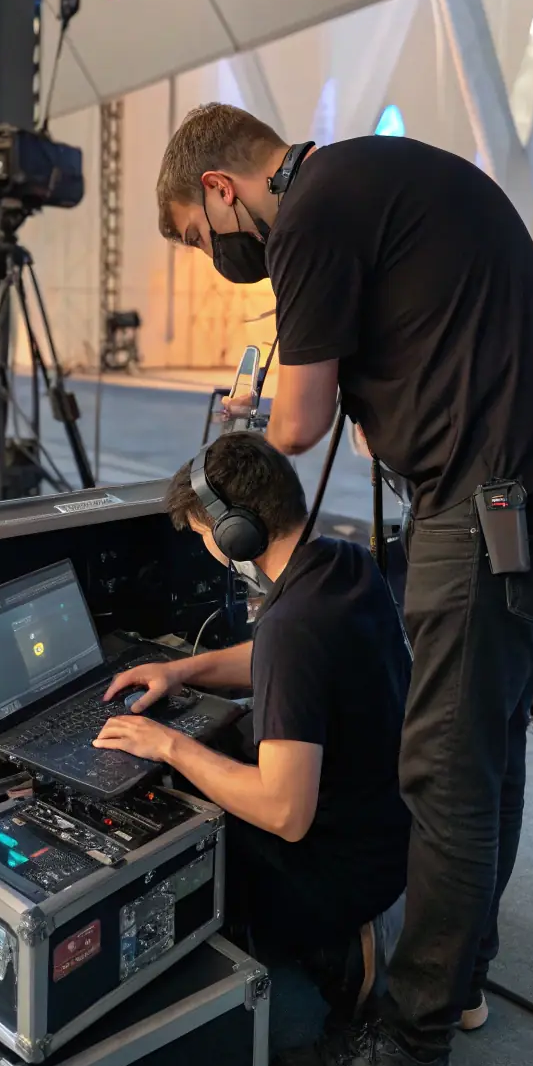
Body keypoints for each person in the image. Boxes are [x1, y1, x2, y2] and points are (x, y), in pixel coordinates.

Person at [155, 104, 533, 1066]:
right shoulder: (366, 176)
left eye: (202, 236)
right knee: (487, 740)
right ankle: (458, 979)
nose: (217, 253)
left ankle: (411, 1047)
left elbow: (300, 422)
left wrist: (246, 433)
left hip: (496, 496)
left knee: (444, 766)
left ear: (220, 188)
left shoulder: (309, 214)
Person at [94, 431, 412, 1023]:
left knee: (164, 815)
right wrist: (182, 670)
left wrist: (169, 745)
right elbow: (278, 656)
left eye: (203, 535)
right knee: (213, 746)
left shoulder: (293, 626)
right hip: (387, 830)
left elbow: (285, 813)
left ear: (235, 531)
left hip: (338, 874)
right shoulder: (341, 562)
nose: (207, 548)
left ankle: (341, 950)